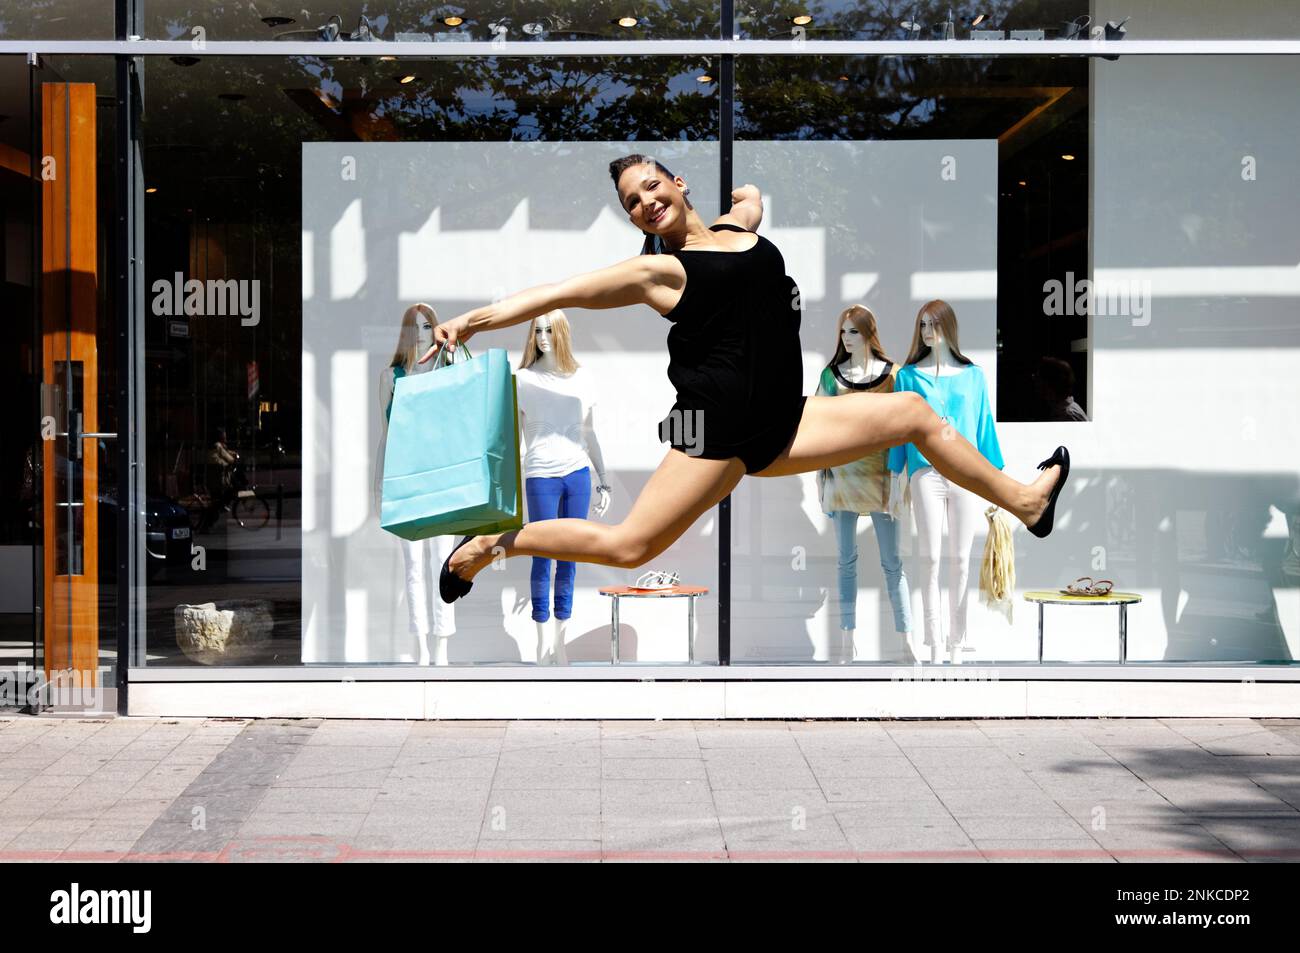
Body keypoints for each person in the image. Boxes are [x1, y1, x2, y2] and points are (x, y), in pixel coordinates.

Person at [425, 154, 1070, 604]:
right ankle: (490, 547)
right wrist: (472, 322)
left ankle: (1024, 503)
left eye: (651, 187)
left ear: (678, 184)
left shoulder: (742, 230)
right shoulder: (659, 274)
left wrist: (751, 196)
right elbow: (555, 292)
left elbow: (750, 199)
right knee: (629, 547)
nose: (645, 202)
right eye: (632, 203)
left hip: (787, 421)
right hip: (719, 435)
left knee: (918, 416)